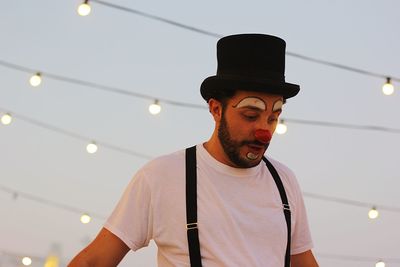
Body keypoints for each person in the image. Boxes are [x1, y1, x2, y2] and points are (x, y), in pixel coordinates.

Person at [68, 34, 319, 267]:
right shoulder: (162, 175)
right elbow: (94, 261)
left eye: (273, 117)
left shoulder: (284, 181)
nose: (264, 131)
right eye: (251, 115)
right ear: (216, 109)